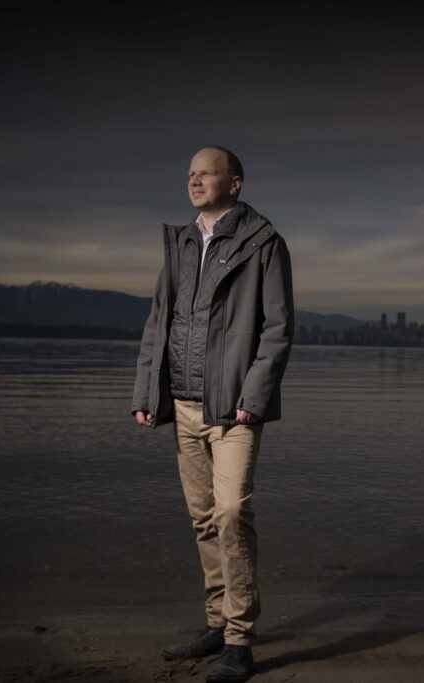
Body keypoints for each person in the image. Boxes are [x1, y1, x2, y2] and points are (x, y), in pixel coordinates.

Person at [131, 145, 295, 683]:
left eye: (207, 172)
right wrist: (145, 392)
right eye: (190, 174)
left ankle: (240, 639)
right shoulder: (179, 243)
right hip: (181, 401)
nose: (195, 180)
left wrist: (254, 397)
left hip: (234, 409)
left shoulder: (264, 244)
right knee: (203, 519)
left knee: (230, 513)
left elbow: (277, 329)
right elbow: (160, 321)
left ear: (235, 183)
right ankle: (215, 622)